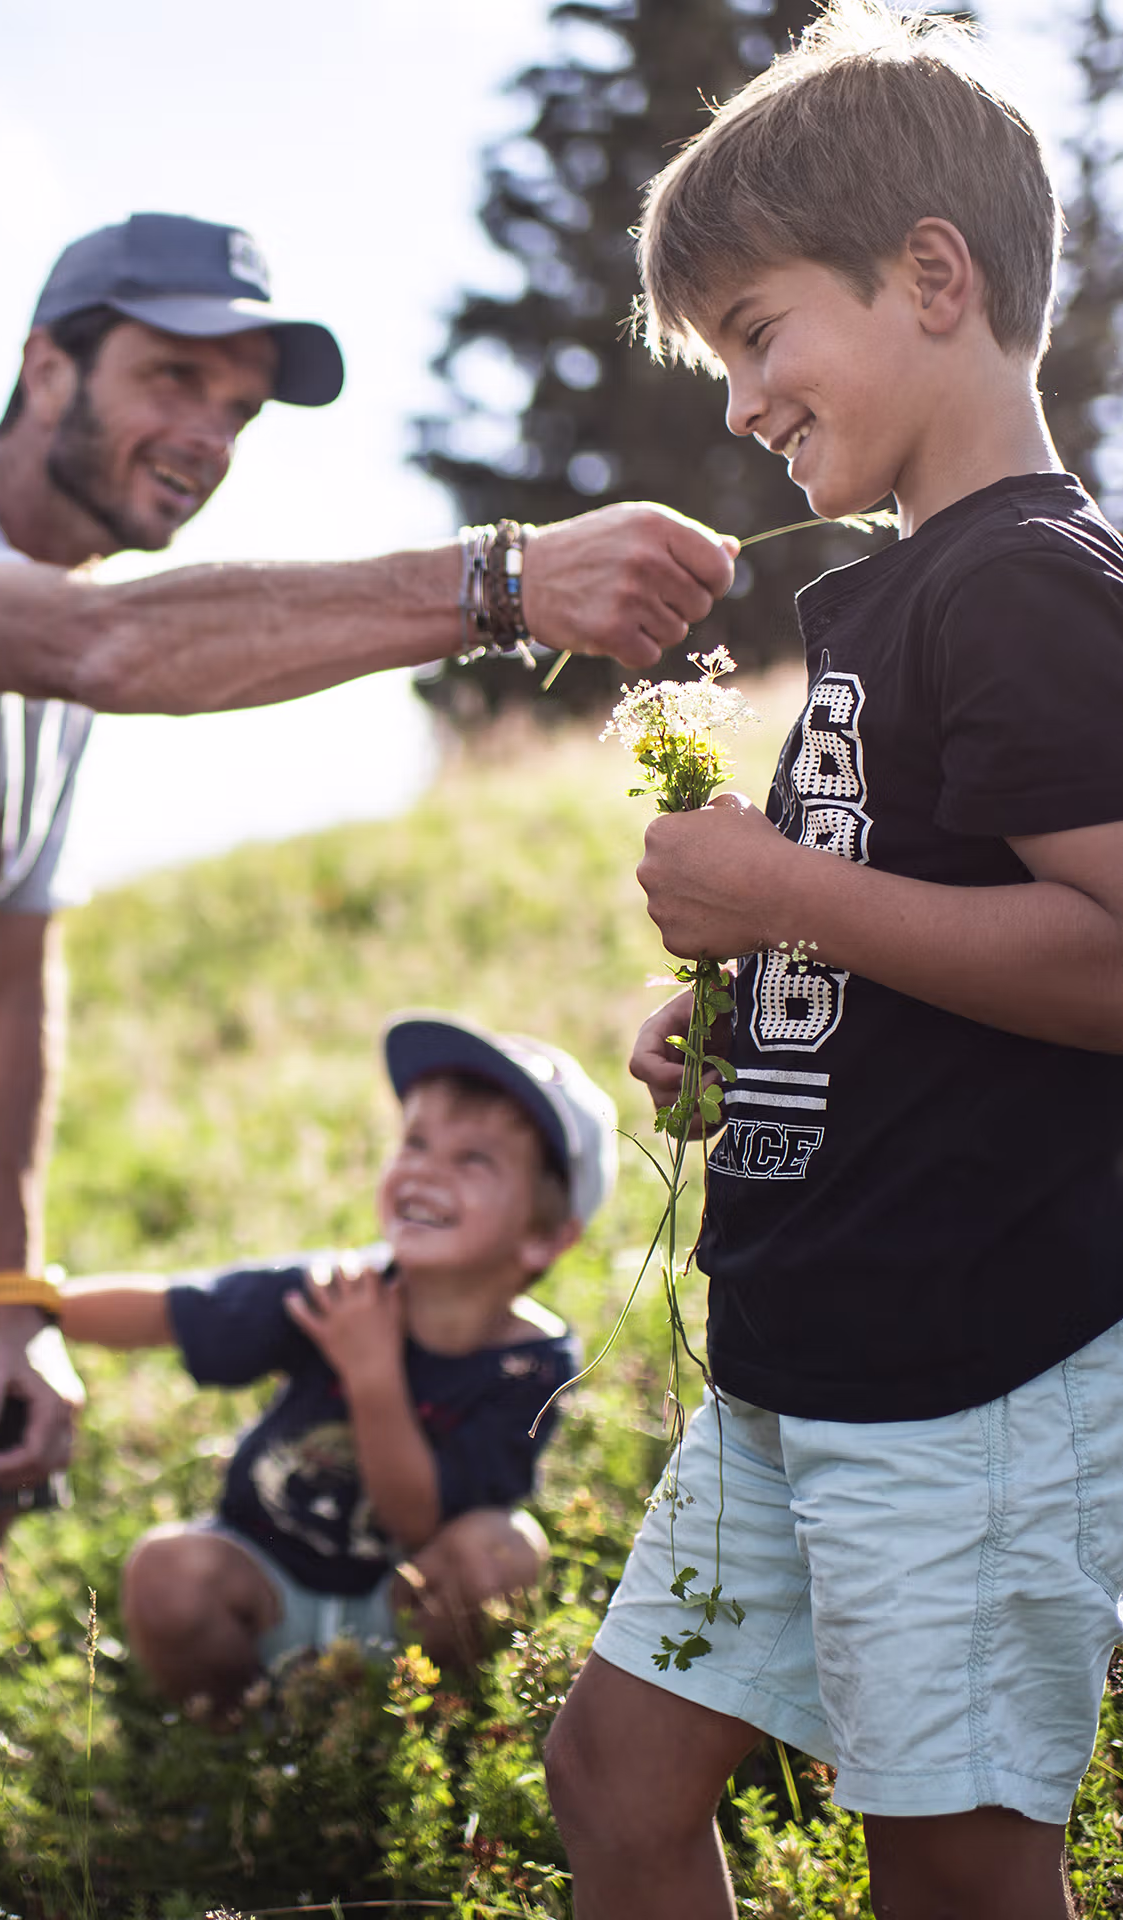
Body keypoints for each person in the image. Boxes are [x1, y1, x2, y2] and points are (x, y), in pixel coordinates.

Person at [0, 207, 736, 1916]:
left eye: (241, 409)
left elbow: (11, 989)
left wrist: (19, 1284)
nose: (204, 435)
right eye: (170, 377)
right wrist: (503, 582)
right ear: (47, 367)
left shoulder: (48, 711)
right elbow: (111, 641)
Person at [542, 6, 1123, 1918]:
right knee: (617, 1776)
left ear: (931, 278)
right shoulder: (901, 592)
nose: (735, 403)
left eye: (759, 333)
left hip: (966, 1369)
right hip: (804, 1357)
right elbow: (916, 935)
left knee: (948, 1872)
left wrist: (783, 896)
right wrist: (757, 1032)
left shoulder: (1030, 578)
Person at [57, 1011, 615, 1701]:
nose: (425, 1172)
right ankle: (242, 1737)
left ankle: (413, 1723)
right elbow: (173, 1310)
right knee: (163, 1572)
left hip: (405, 1609)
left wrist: (371, 1372)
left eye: (472, 1159)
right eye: (414, 1143)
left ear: (542, 1238)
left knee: (504, 1550)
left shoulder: (533, 1369)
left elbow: (418, 1523)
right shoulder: (340, 1291)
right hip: (265, 1582)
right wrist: (34, 1301)